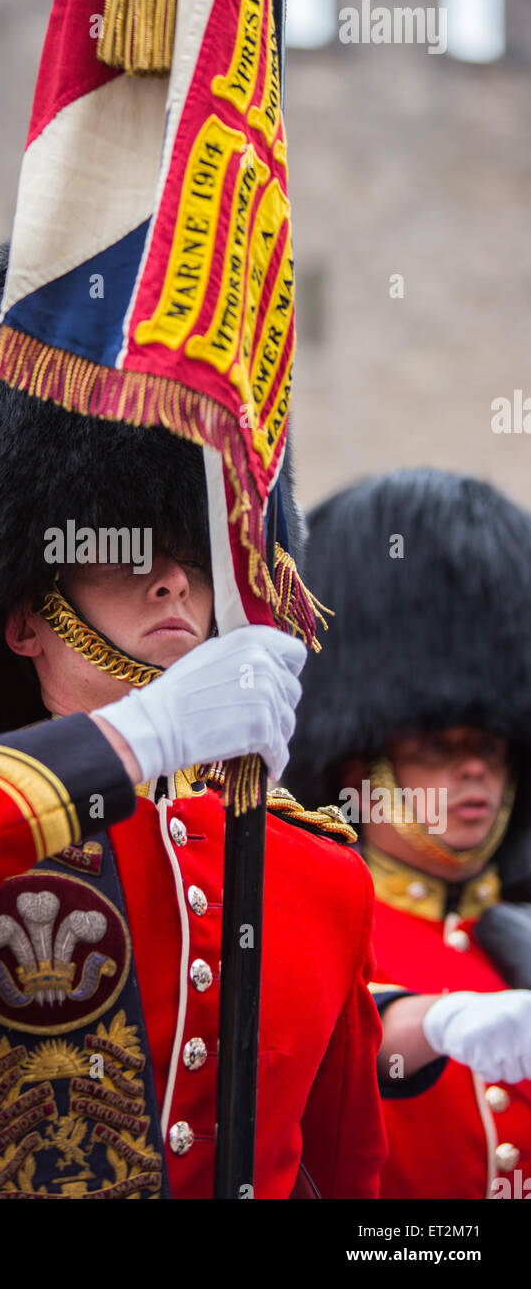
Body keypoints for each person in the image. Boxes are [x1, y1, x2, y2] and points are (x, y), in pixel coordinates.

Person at [0, 245, 389, 1200]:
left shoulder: (316, 872)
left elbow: (345, 1175)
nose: (174, 578)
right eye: (129, 548)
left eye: (200, 549)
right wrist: (147, 733)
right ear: (24, 617)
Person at [285, 468, 531, 1200]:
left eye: (490, 750)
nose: (476, 775)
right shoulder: (317, 928)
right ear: (362, 766)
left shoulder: (507, 936)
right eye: (438, 750)